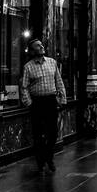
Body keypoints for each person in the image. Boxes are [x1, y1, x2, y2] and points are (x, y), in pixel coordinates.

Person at [20, 38, 67, 173]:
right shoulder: (28, 67)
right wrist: (29, 103)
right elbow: (24, 87)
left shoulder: (52, 62)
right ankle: (41, 161)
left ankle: (49, 157)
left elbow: (59, 81)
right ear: (33, 51)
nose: (41, 47)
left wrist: (62, 99)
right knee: (38, 134)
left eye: (41, 45)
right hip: (37, 102)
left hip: (50, 101)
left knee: (53, 132)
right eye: (38, 46)